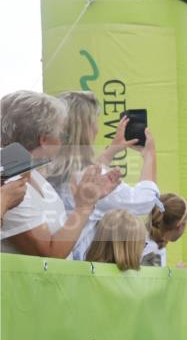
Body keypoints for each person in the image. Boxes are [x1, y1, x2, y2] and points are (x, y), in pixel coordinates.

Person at [0, 90, 120, 257]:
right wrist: (83, 207)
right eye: (62, 135)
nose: (63, 141)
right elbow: (50, 254)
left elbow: (61, 234)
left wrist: (87, 200)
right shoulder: (10, 183)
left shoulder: (31, 174)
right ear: (44, 139)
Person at [45, 92, 160, 261]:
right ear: (85, 129)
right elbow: (144, 202)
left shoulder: (46, 167)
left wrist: (111, 151)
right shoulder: (84, 176)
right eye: (94, 124)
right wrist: (149, 155)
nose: (97, 130)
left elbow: (81, 171)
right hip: (74, 266)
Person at [142, 193, 187, 267]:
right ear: (180, 226)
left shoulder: (148, 240)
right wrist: (177, 276)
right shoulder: (153, 249)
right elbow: (150, 278)